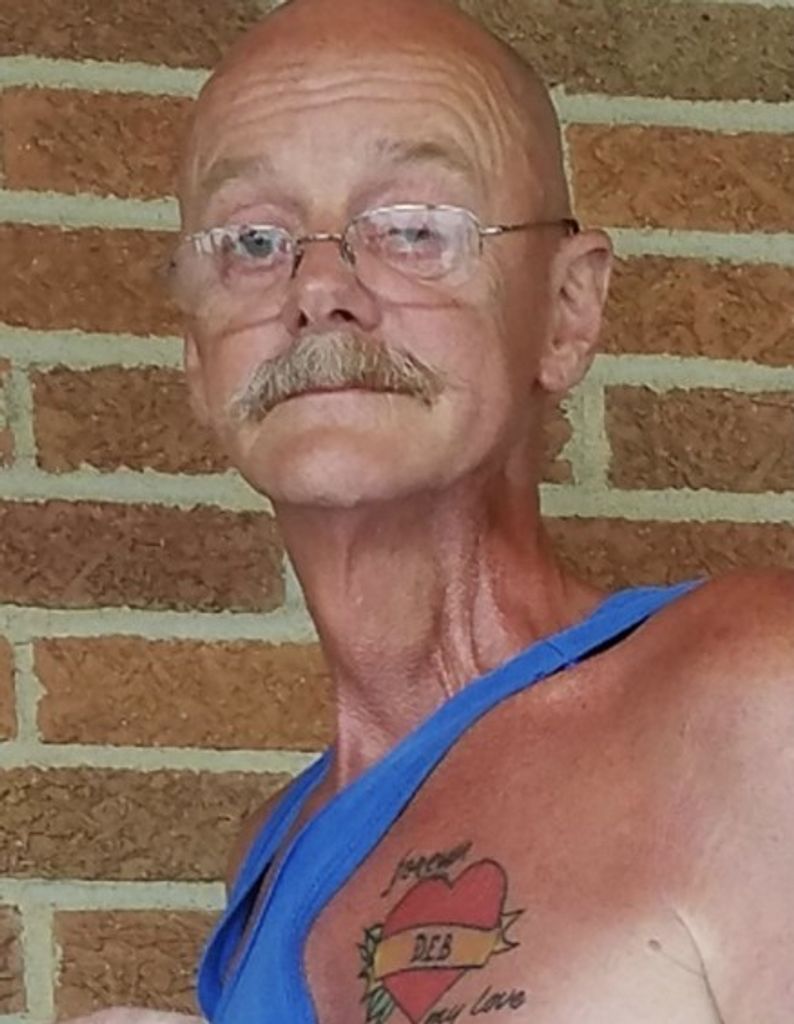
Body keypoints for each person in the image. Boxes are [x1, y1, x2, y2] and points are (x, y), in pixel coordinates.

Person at [67, 0, 794, 1021]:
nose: (319, 288)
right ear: (196, 356)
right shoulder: (268, 855)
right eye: (254, 240)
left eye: (413, 228)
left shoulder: (753, 698)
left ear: (566, 311)